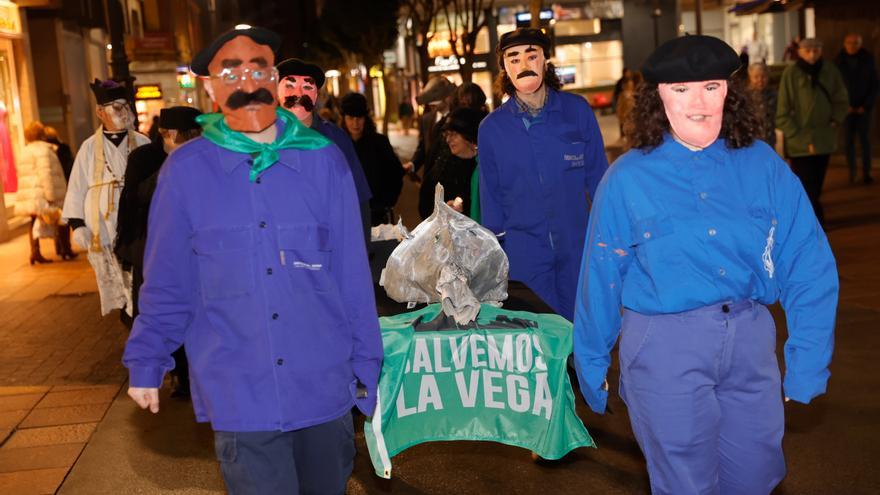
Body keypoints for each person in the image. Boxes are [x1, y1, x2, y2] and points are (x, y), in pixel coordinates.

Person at [573, 34, 838, 495]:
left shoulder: (763, 165)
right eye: (681, 89)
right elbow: (600, 275)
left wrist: (809, 360)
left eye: (711, 86)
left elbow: (808, 262)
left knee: (757, 475)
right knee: (686, 483)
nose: (698, 102)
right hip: (663, 345)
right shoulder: (627, 178)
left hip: (750, 340)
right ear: (658, 98)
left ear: (729, 92)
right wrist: (591, 359)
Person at [122, 26, 382, 494]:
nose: (246, 81)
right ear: (209, 87)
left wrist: (367, 366)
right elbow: (167, 280)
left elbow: (352, 275)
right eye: (230, 71)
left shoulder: (324, 162)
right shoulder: (185, 172)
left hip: (322, 385)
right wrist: (147, 358)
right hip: (240, 393)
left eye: (257, 68)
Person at [478, 27, 608, 321]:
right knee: (539, 335)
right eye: (513, 58)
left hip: (577, 246)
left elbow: (600, 180)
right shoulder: (491, 129)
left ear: (544, 60)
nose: (523, 65)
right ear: (505, 68)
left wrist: (607, 238)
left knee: (584, 329)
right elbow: (491, 197)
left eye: (531, 55)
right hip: (524, 254)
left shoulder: (577, 112)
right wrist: (497, 256)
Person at [115, 106, 202, 398]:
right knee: (161, 307)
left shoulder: (199, 159)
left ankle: (191, 373)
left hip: (193, 248)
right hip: (151, 249)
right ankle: (177, 373)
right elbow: (133, 202)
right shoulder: (145, 158)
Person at [62, 79, 150, 315]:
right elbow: (77, 185)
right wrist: (77, 224)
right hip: (103, 224)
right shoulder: (89, 147)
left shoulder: (143, 143)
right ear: (100, 112)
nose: (124, 113)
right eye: (116, 107)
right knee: (115, 278)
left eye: (126, 106)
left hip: (136, 224)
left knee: (140, 278)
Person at [276, 58, 373, 244]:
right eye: (290, 85)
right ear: (276, 93)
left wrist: (360, 253)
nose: (298, 93)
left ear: (317, 96)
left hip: (328, 248)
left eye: (307, 87)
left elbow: (358, 198)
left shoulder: (336, 139)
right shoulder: (264, 142)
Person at [776, 37, 849, 225]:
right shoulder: (791, 73)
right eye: (807, 50)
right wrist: (795, 133)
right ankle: (815, 224)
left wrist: (835, 121)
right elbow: (782, 111)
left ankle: (811, 223)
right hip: (800, 142)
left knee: (817, 185)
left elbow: (841, 99)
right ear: (799, 52)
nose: (812, 54)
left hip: (823, 139)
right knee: (806, 186)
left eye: (816, 49)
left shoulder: (830, 71)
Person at [417, 82, 488, 220]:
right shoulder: (443, 160)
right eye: (447, 135)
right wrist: (441, 209)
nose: (449, 139)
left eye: (453, 135)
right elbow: (426, 198)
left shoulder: (485, 161)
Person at [340, 92, 404, 226]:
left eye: (359, 118)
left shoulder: (379, 143)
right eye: (351, 118)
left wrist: (386, 202)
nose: (355, 123)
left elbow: (396, 174)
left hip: (377, 216)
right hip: (346, 216)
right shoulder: (337, 145)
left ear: (365, 118)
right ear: (344, 119)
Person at [14, 121, 68, 264]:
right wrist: (50, 195)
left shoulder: (24, 150)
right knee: (59, 218)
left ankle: (35, 252)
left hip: (31, 193)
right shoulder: (44, 150)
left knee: (33, 221)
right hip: (41, 192)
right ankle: (64, 248)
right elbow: (46, 174)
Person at [835, 33, 878, 184]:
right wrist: (843, 106)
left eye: (855, 43)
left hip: (863, 109)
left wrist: (865, 106)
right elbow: (835, 87)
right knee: (848, 143)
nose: (852, 46)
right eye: (849, 43)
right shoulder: (838, 61)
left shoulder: (868, 59)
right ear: (845, 44)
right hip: (845, 110)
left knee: (865, 142)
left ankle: (866, 173)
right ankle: (852, 172)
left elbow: (874, 85)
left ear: (860, 44)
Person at [43, 125, 77, 260]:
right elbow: (70, 167)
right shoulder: (62, 148)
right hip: (63, 186)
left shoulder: (47, 150)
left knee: (55, 218)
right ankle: (66, 247)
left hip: (52, 188)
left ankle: (59, 247)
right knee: (64, 219)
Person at [747, 62, 777, 147]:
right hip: (751, 142)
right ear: (750, 77)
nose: (760, 80)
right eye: (756, 77)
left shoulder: (774, 95)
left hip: (770, 141)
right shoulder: (745, 96)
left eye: (763, 76)